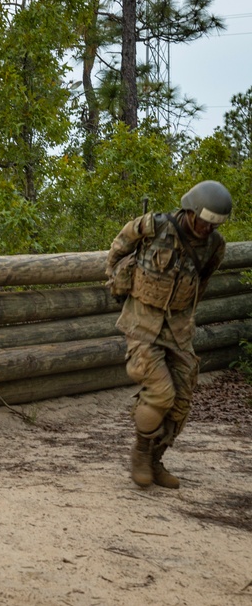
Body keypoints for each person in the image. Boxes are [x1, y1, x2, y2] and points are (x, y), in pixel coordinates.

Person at [106, 180, 231, 489]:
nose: (205, 228)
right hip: (142, 322)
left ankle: (155, 458)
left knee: (182, 398)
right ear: (190, 209)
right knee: (161, 393)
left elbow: (202, 282)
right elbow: (117, 252)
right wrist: (120, 284)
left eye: (212, 224)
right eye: (202, 221)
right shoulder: (153, 226)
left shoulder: (215, 244)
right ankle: (140, 453)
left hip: (178, 328)